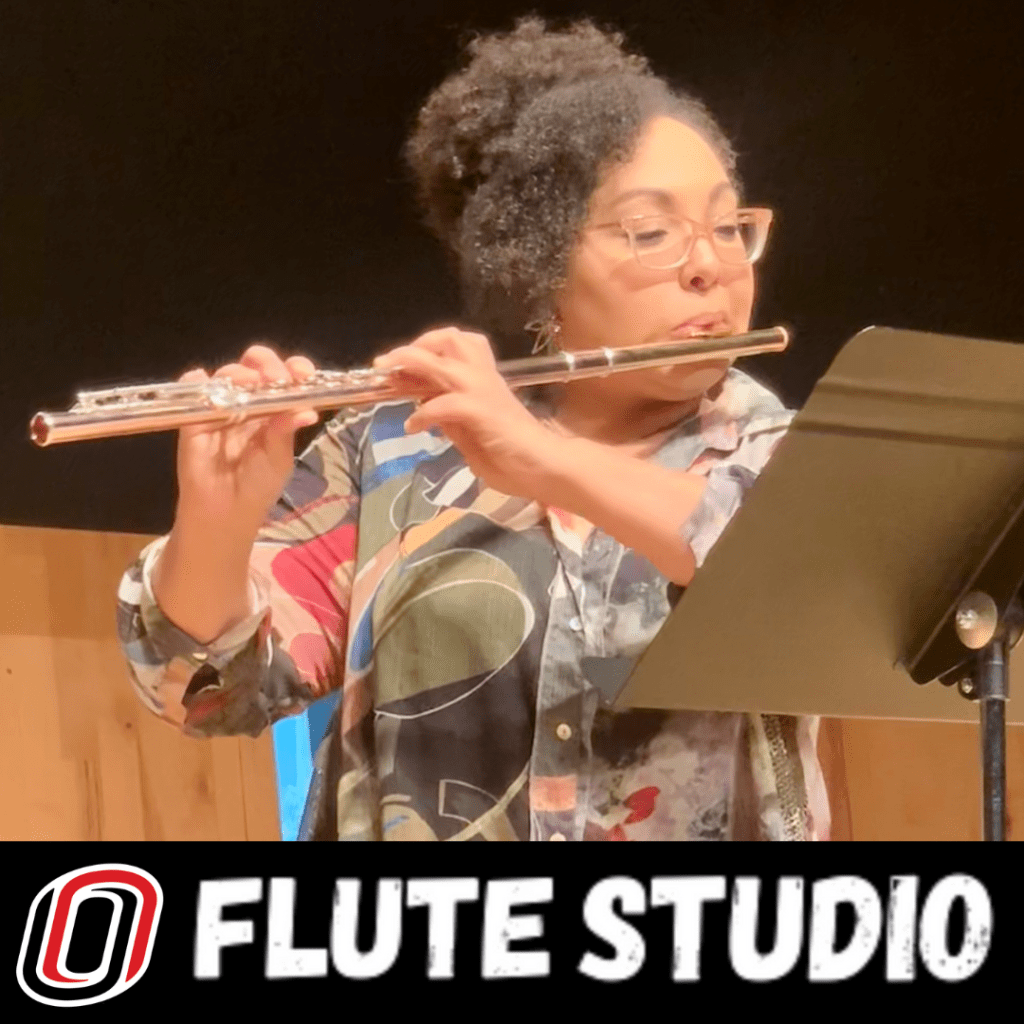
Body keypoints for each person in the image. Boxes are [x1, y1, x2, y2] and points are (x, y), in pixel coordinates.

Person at [116, 17, 830, 841]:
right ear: (541, 268)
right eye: (651, 232)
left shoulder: (786, 452)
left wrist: (542, 459)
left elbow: (795, 577)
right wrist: (218, 520)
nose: (709, 265)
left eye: (728, 226)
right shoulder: (396, 447)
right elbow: (201, 691)